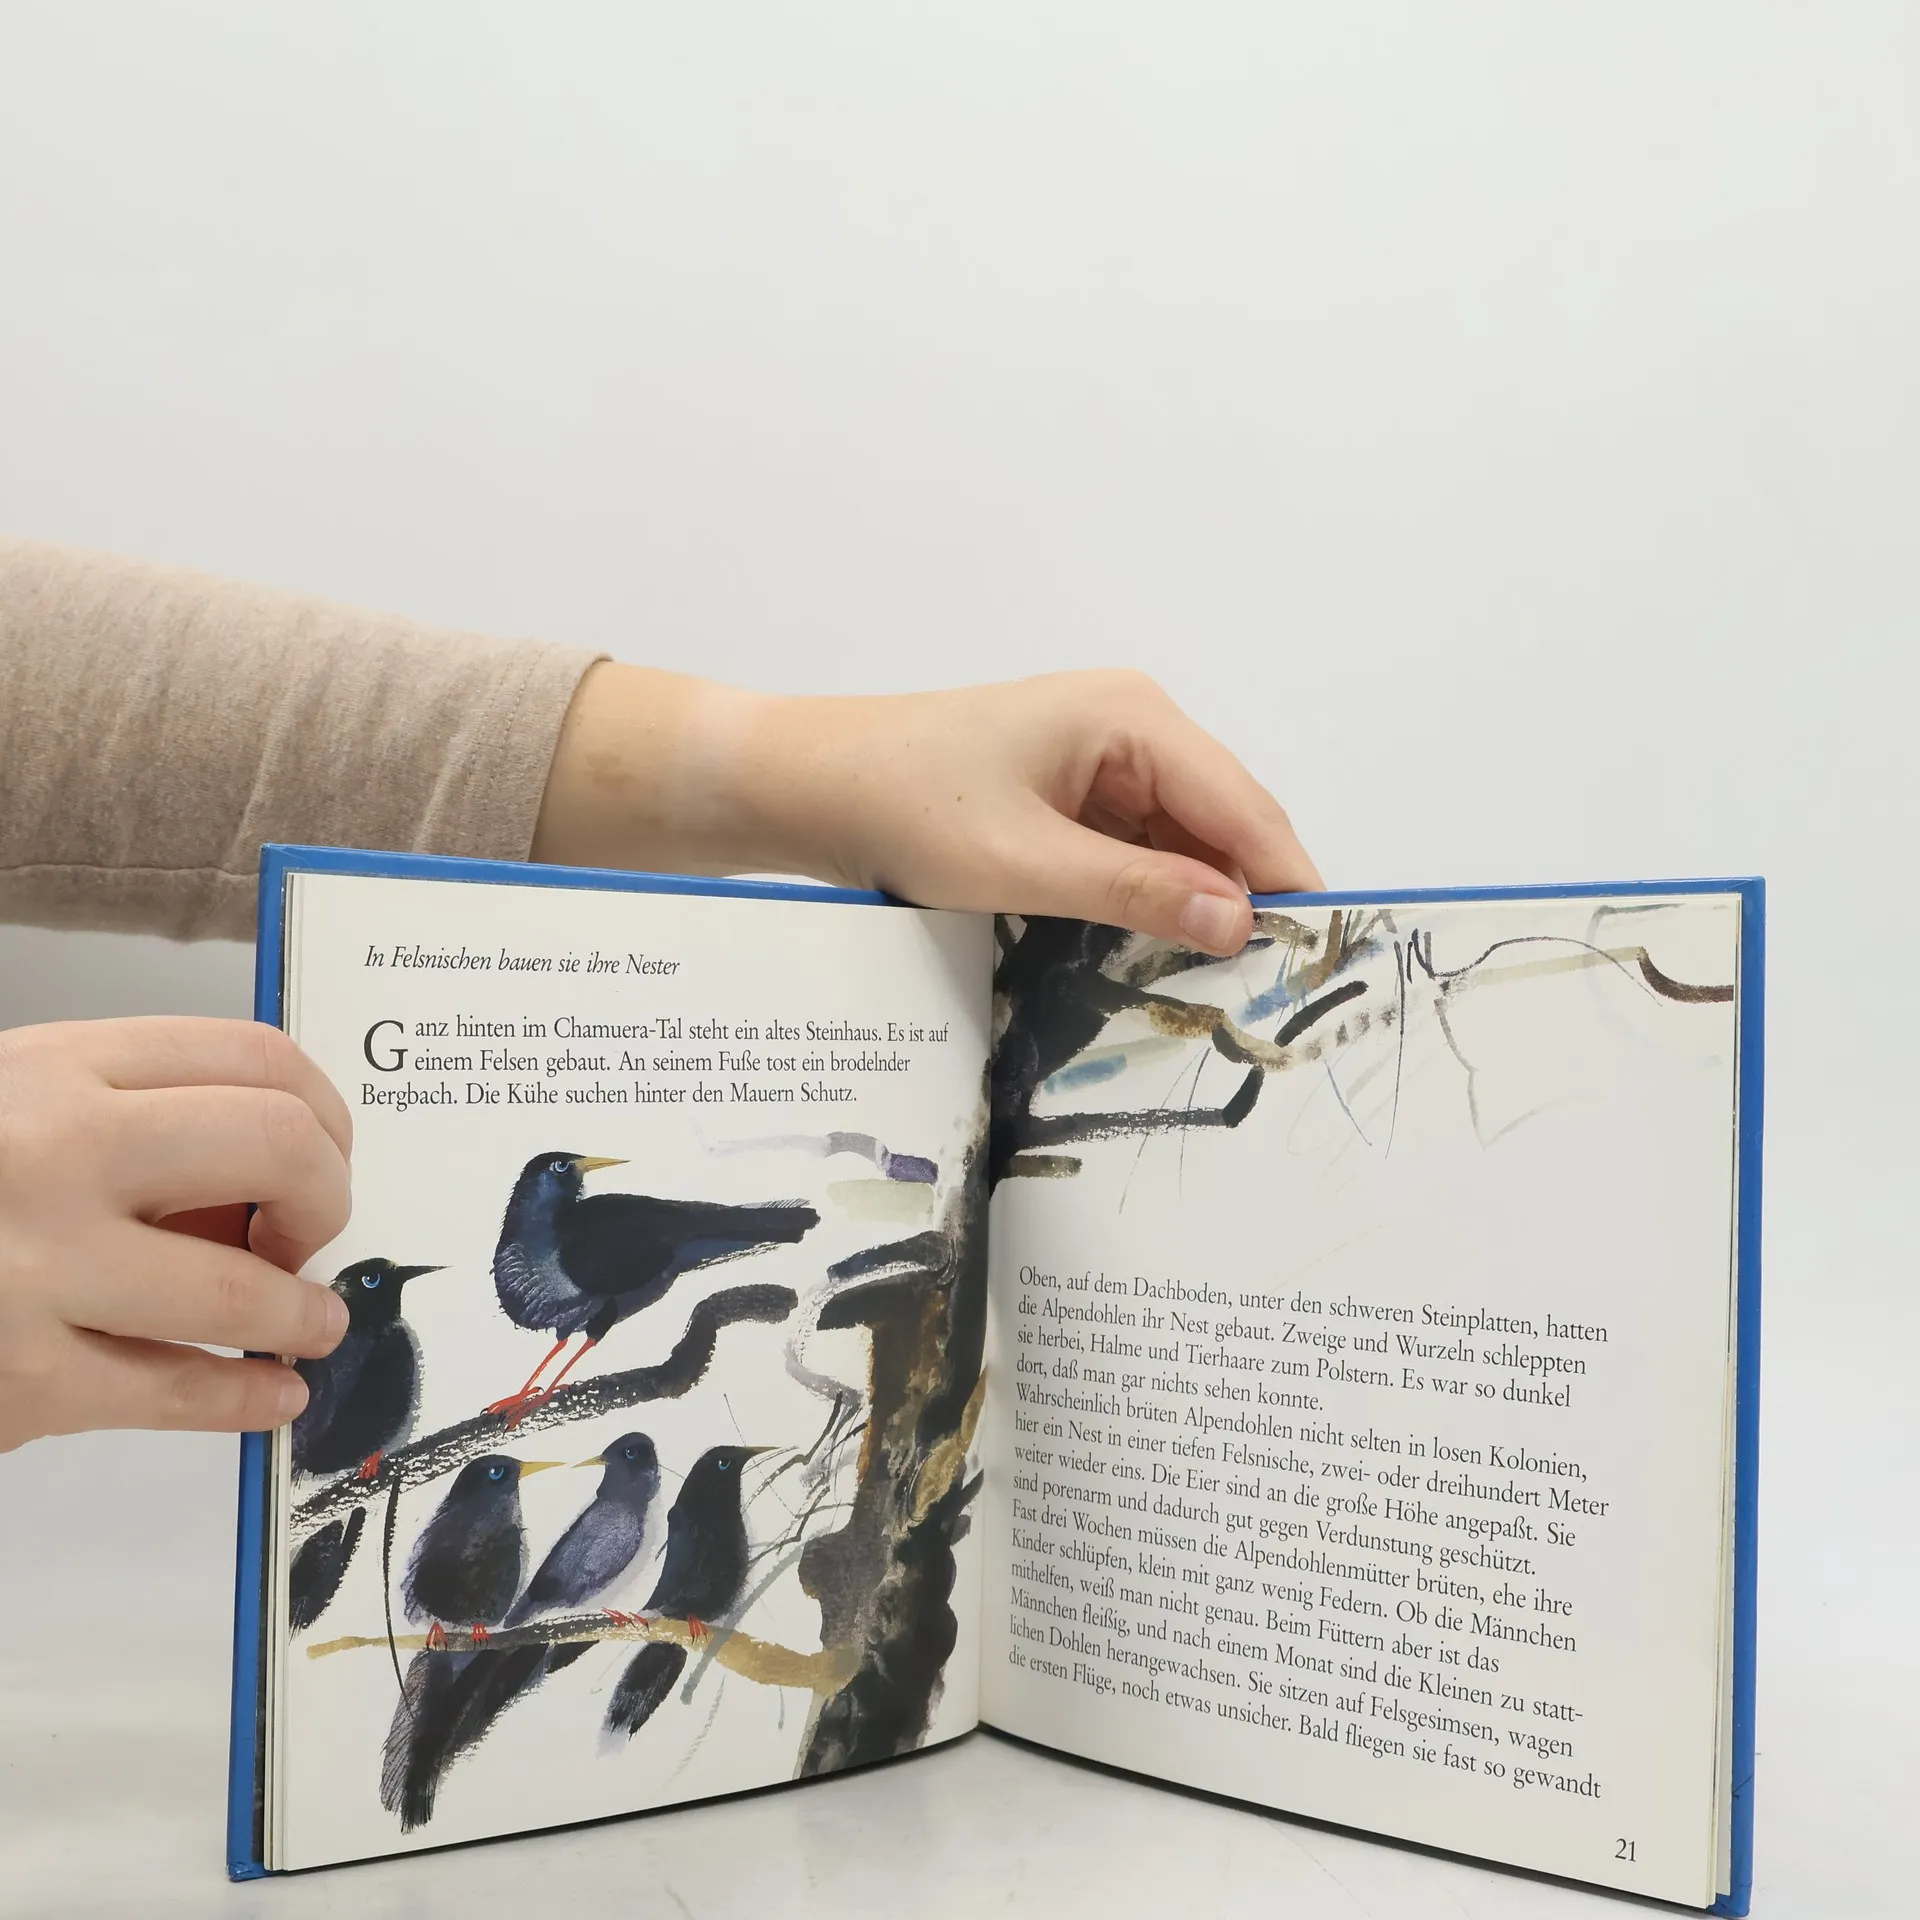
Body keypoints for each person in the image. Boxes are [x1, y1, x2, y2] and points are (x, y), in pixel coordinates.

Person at [0, 538, 1320, 1455]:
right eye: (560, 1175)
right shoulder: (545, 1249)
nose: (569, 1184)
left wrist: (797, 768)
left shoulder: (557, 1246)